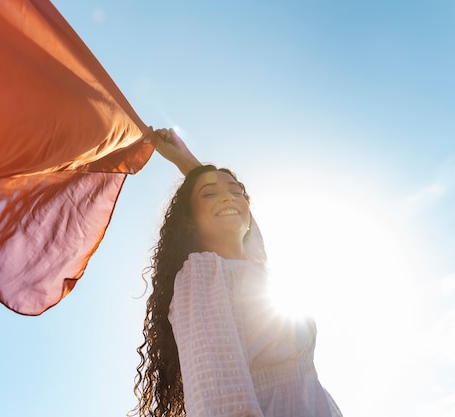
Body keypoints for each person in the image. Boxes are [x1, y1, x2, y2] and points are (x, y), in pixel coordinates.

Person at [132, 128, 343, 416]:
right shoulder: (203, 275)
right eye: (210, 194)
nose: (229, 198)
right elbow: (219, 392)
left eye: (237, 191)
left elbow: (249, 233)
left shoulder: (257, 269)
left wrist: (186, 160)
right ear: (189, 221)